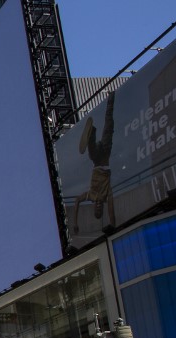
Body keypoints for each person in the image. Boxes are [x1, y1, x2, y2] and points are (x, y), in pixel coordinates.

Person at [73, 90, 116, 235]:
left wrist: (75, 223)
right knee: (109, 125)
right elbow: (111, 208)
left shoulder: (90, 195)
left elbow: (77, 201)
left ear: (93, 207)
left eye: (96, 208)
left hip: (97, 160)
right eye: (100, 208)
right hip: (106, 156)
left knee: (91, 153)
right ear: (101, 207)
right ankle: (111, 97)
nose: (98, 206)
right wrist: (112, 224)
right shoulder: (106, 195)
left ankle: (91, 134)